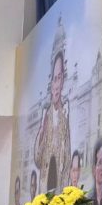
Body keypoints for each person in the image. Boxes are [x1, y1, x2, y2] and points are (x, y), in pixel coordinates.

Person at [33, 50, 72, 193]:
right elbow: (37, 160)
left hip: (60, 192)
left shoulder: (65, 115)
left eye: (59, 78)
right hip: (45, 191)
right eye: (54, 79)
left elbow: (67, 160)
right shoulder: (46, 115)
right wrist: (42, 132)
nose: (56, 84)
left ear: (62, 82)